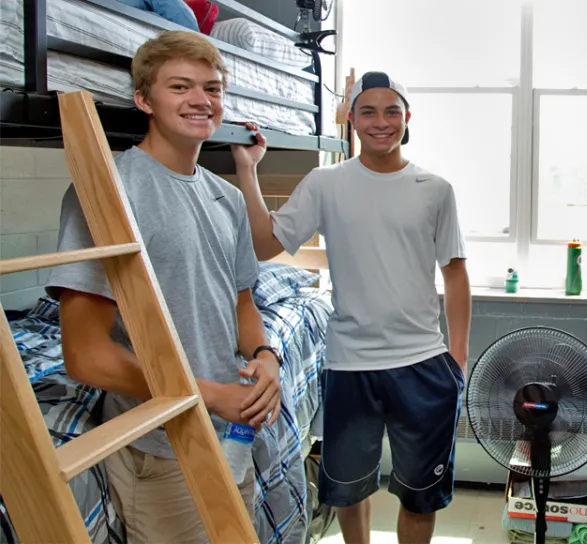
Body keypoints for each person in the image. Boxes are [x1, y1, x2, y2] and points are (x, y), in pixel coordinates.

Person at [45, 30, 282, 543]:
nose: (201, 100)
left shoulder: (226, 197)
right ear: (144, 99)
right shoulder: (110, 191)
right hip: (160, 445)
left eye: (213, 89)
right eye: (181, 87)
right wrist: (206, 395)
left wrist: (266, 355)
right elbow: (85, 356)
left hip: (232, 432)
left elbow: (241, 302)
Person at [233, 71, 472, 544]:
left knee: (420, 494)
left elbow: (456, 273)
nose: (380, 122)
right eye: (368, 111)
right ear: (350, 119)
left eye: (391, 111)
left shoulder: (435, 188)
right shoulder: (326, 183)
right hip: (349, 364)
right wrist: (247, 169)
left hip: (423, 364)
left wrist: (458, 360)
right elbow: (264, 244)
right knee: (346, 490)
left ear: (407, 118)